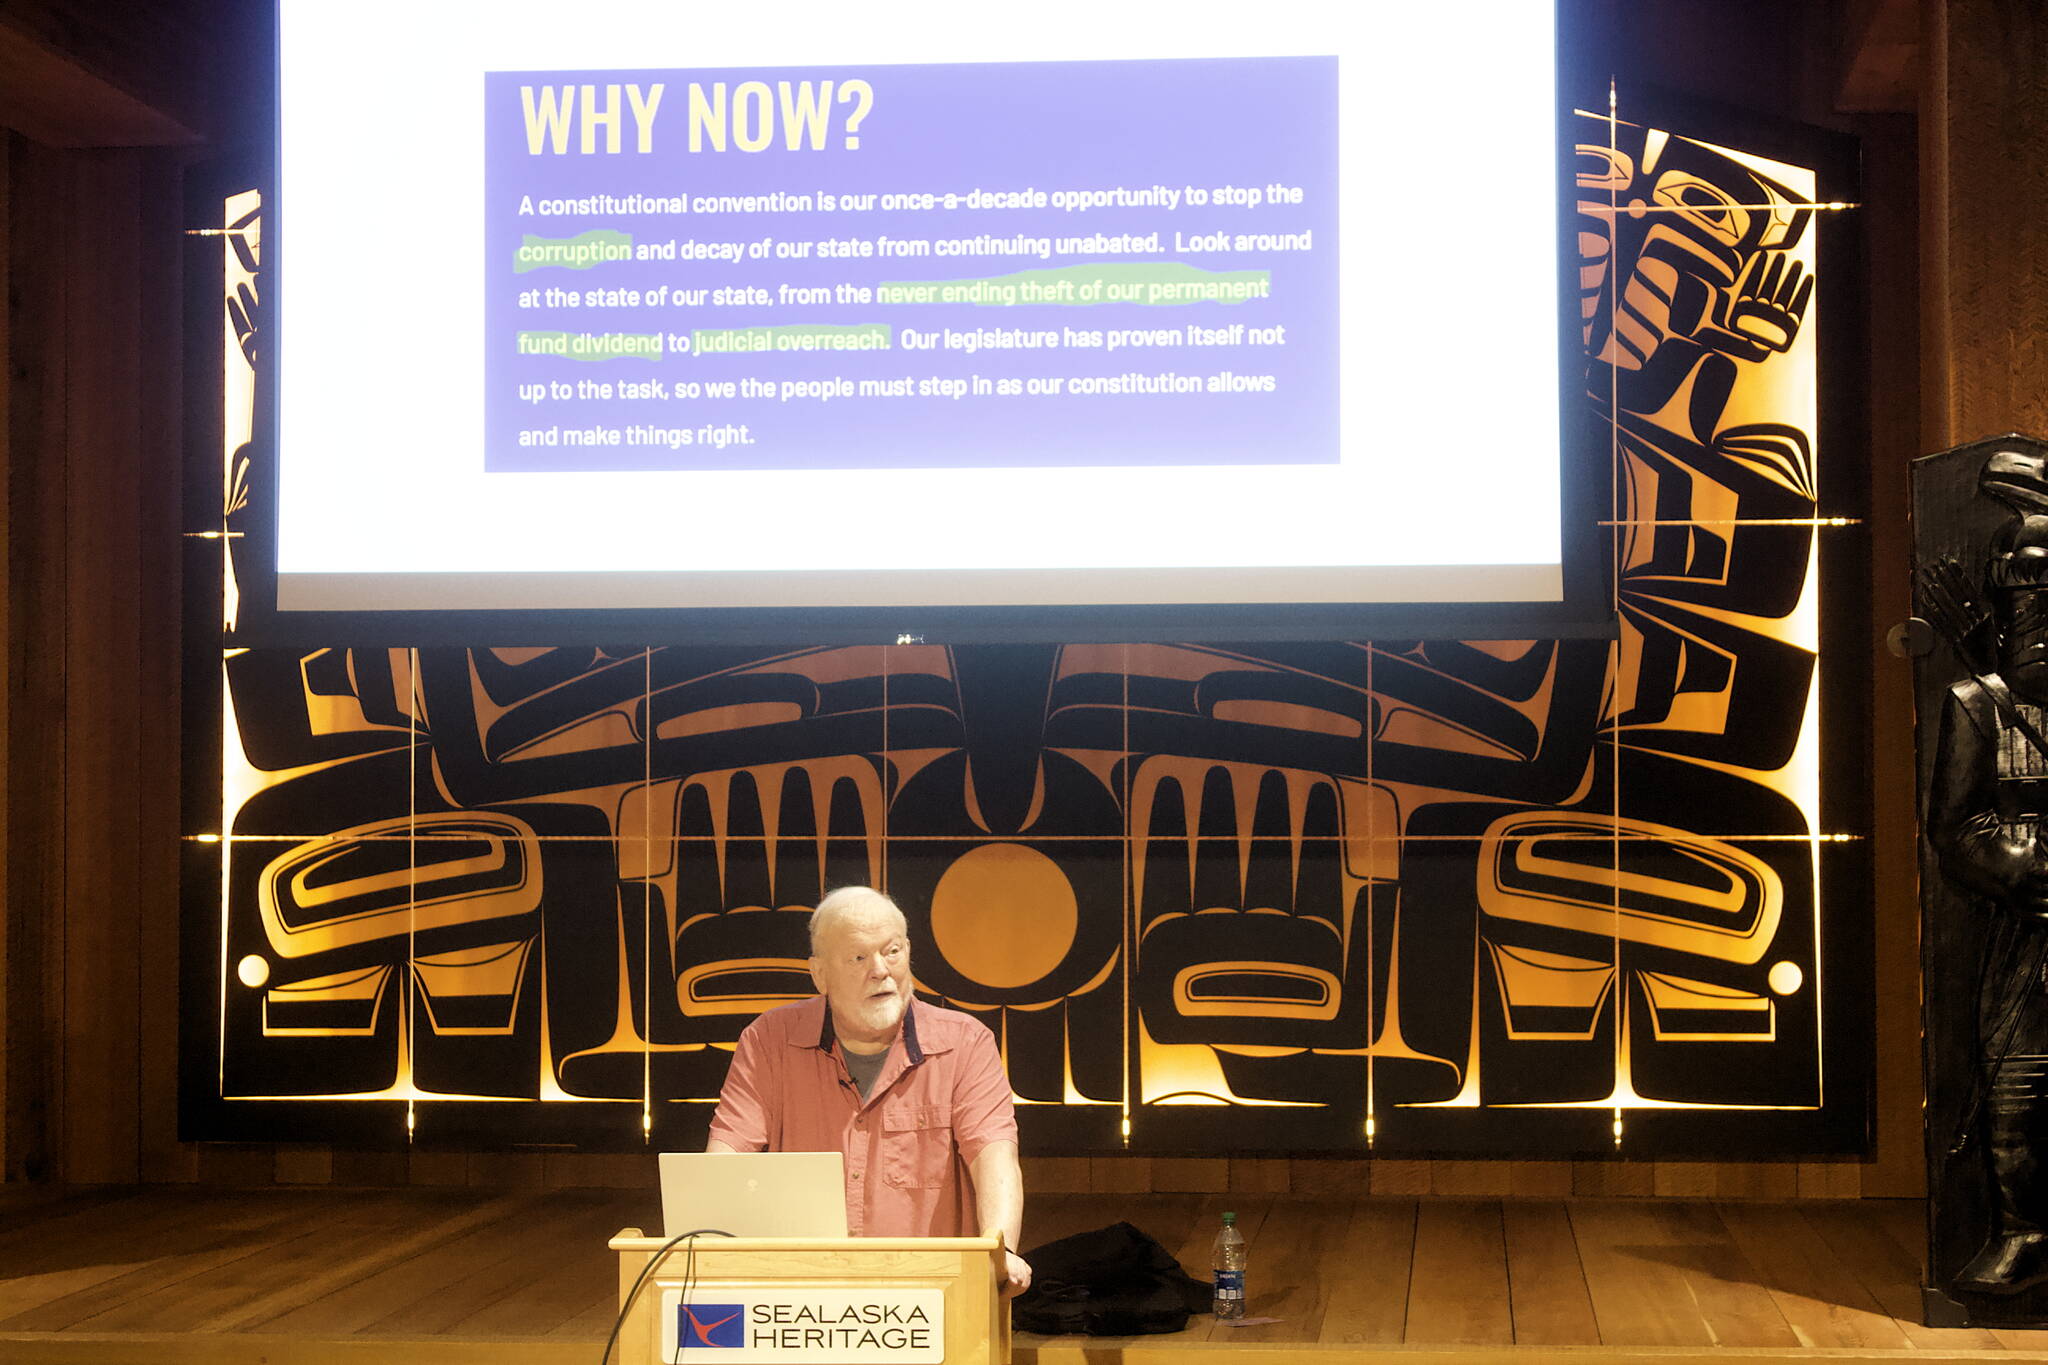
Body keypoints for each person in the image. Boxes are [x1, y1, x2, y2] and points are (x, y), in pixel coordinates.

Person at [707, 886, 1032, 1296]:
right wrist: (707, 1239)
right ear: (820, 974)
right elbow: (728, 1154)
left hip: (932, 1291)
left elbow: (994, 1156)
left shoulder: (965, 1043)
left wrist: (1000, 1250)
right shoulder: (769, 1040)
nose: (881, 969)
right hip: (801, 1289)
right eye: (859, 958)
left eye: (892, 951)